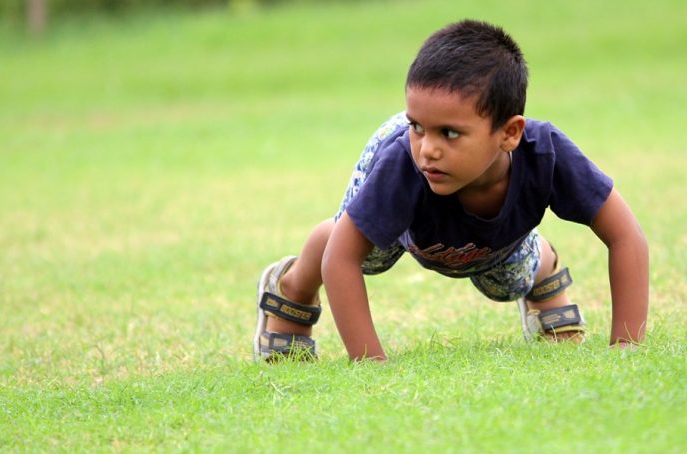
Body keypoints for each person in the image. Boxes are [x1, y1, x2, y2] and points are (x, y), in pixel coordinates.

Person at [253, 19, 649, 361]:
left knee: (509, 282)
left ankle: (543, 273)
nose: (428, 149)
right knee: (359, 245)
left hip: (491, 241)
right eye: (418, 127)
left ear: (509, 133)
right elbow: (342, 257)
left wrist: (626, 344)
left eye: (450, 133)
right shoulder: (406, 159)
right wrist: (370, 363)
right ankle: (291, 290)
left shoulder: (546, 155)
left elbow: (626, 235)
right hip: (408, 221)